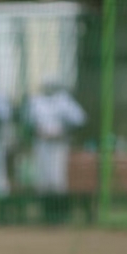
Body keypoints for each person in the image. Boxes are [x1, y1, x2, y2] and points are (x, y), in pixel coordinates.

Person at [27, 78, 86, 222]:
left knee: (58, 179)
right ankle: (46, 215)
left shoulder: (63, 100)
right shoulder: (36, 101)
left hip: (59, 144)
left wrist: (65, 130)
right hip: (42, 144)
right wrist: (36, 131)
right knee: (43, 180)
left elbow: (80, 119)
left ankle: (60, 215)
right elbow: (28, 123)